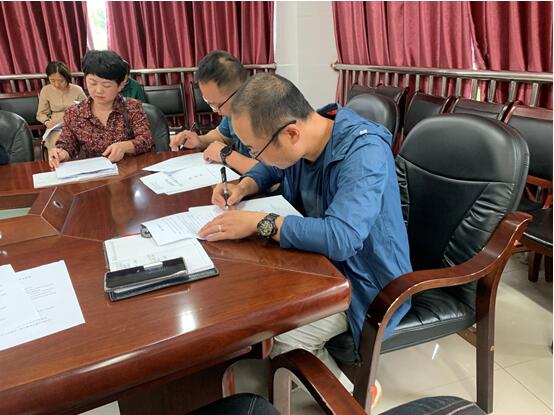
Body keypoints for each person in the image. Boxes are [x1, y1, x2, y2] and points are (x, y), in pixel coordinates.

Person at [198, 73, 412, 407]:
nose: (256, 156)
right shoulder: (309, 132)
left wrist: (261, 223)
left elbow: (342, 238)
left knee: (284, 337)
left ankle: (351, 394)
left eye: (255, 149)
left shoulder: (364, 152)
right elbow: (273, 168)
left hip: (364, 280)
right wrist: (244, 186)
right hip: (315, 263)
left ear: (291, 134)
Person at [48, 50, 154, 168]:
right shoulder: (75, 113)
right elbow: (67, 144)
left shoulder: (132, 107)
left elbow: (146, 140)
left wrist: (125, 146)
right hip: (95, 173)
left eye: (106, 85)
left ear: (120, 85)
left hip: (130, 170)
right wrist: (60, 153)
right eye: (93, 83)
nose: (98, 90)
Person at [169, 50, 257, 174]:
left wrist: (226, 155)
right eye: (210, 103)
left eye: (217, 105)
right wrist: (199, 140)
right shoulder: (232, 111)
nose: (218, 112)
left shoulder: (267, 112)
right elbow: (221, 136)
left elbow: (274, 172)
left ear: (240, 92)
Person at [36, 61, 86, 151]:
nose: (57, 84)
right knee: (57, 142)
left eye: (61, 80)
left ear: (67, 77)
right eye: (52, 80)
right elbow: (41, 113)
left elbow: (87, 109)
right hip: (55, 126)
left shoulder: (77, 90)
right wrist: (47, 122)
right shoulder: (46, 90)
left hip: (76, 125)